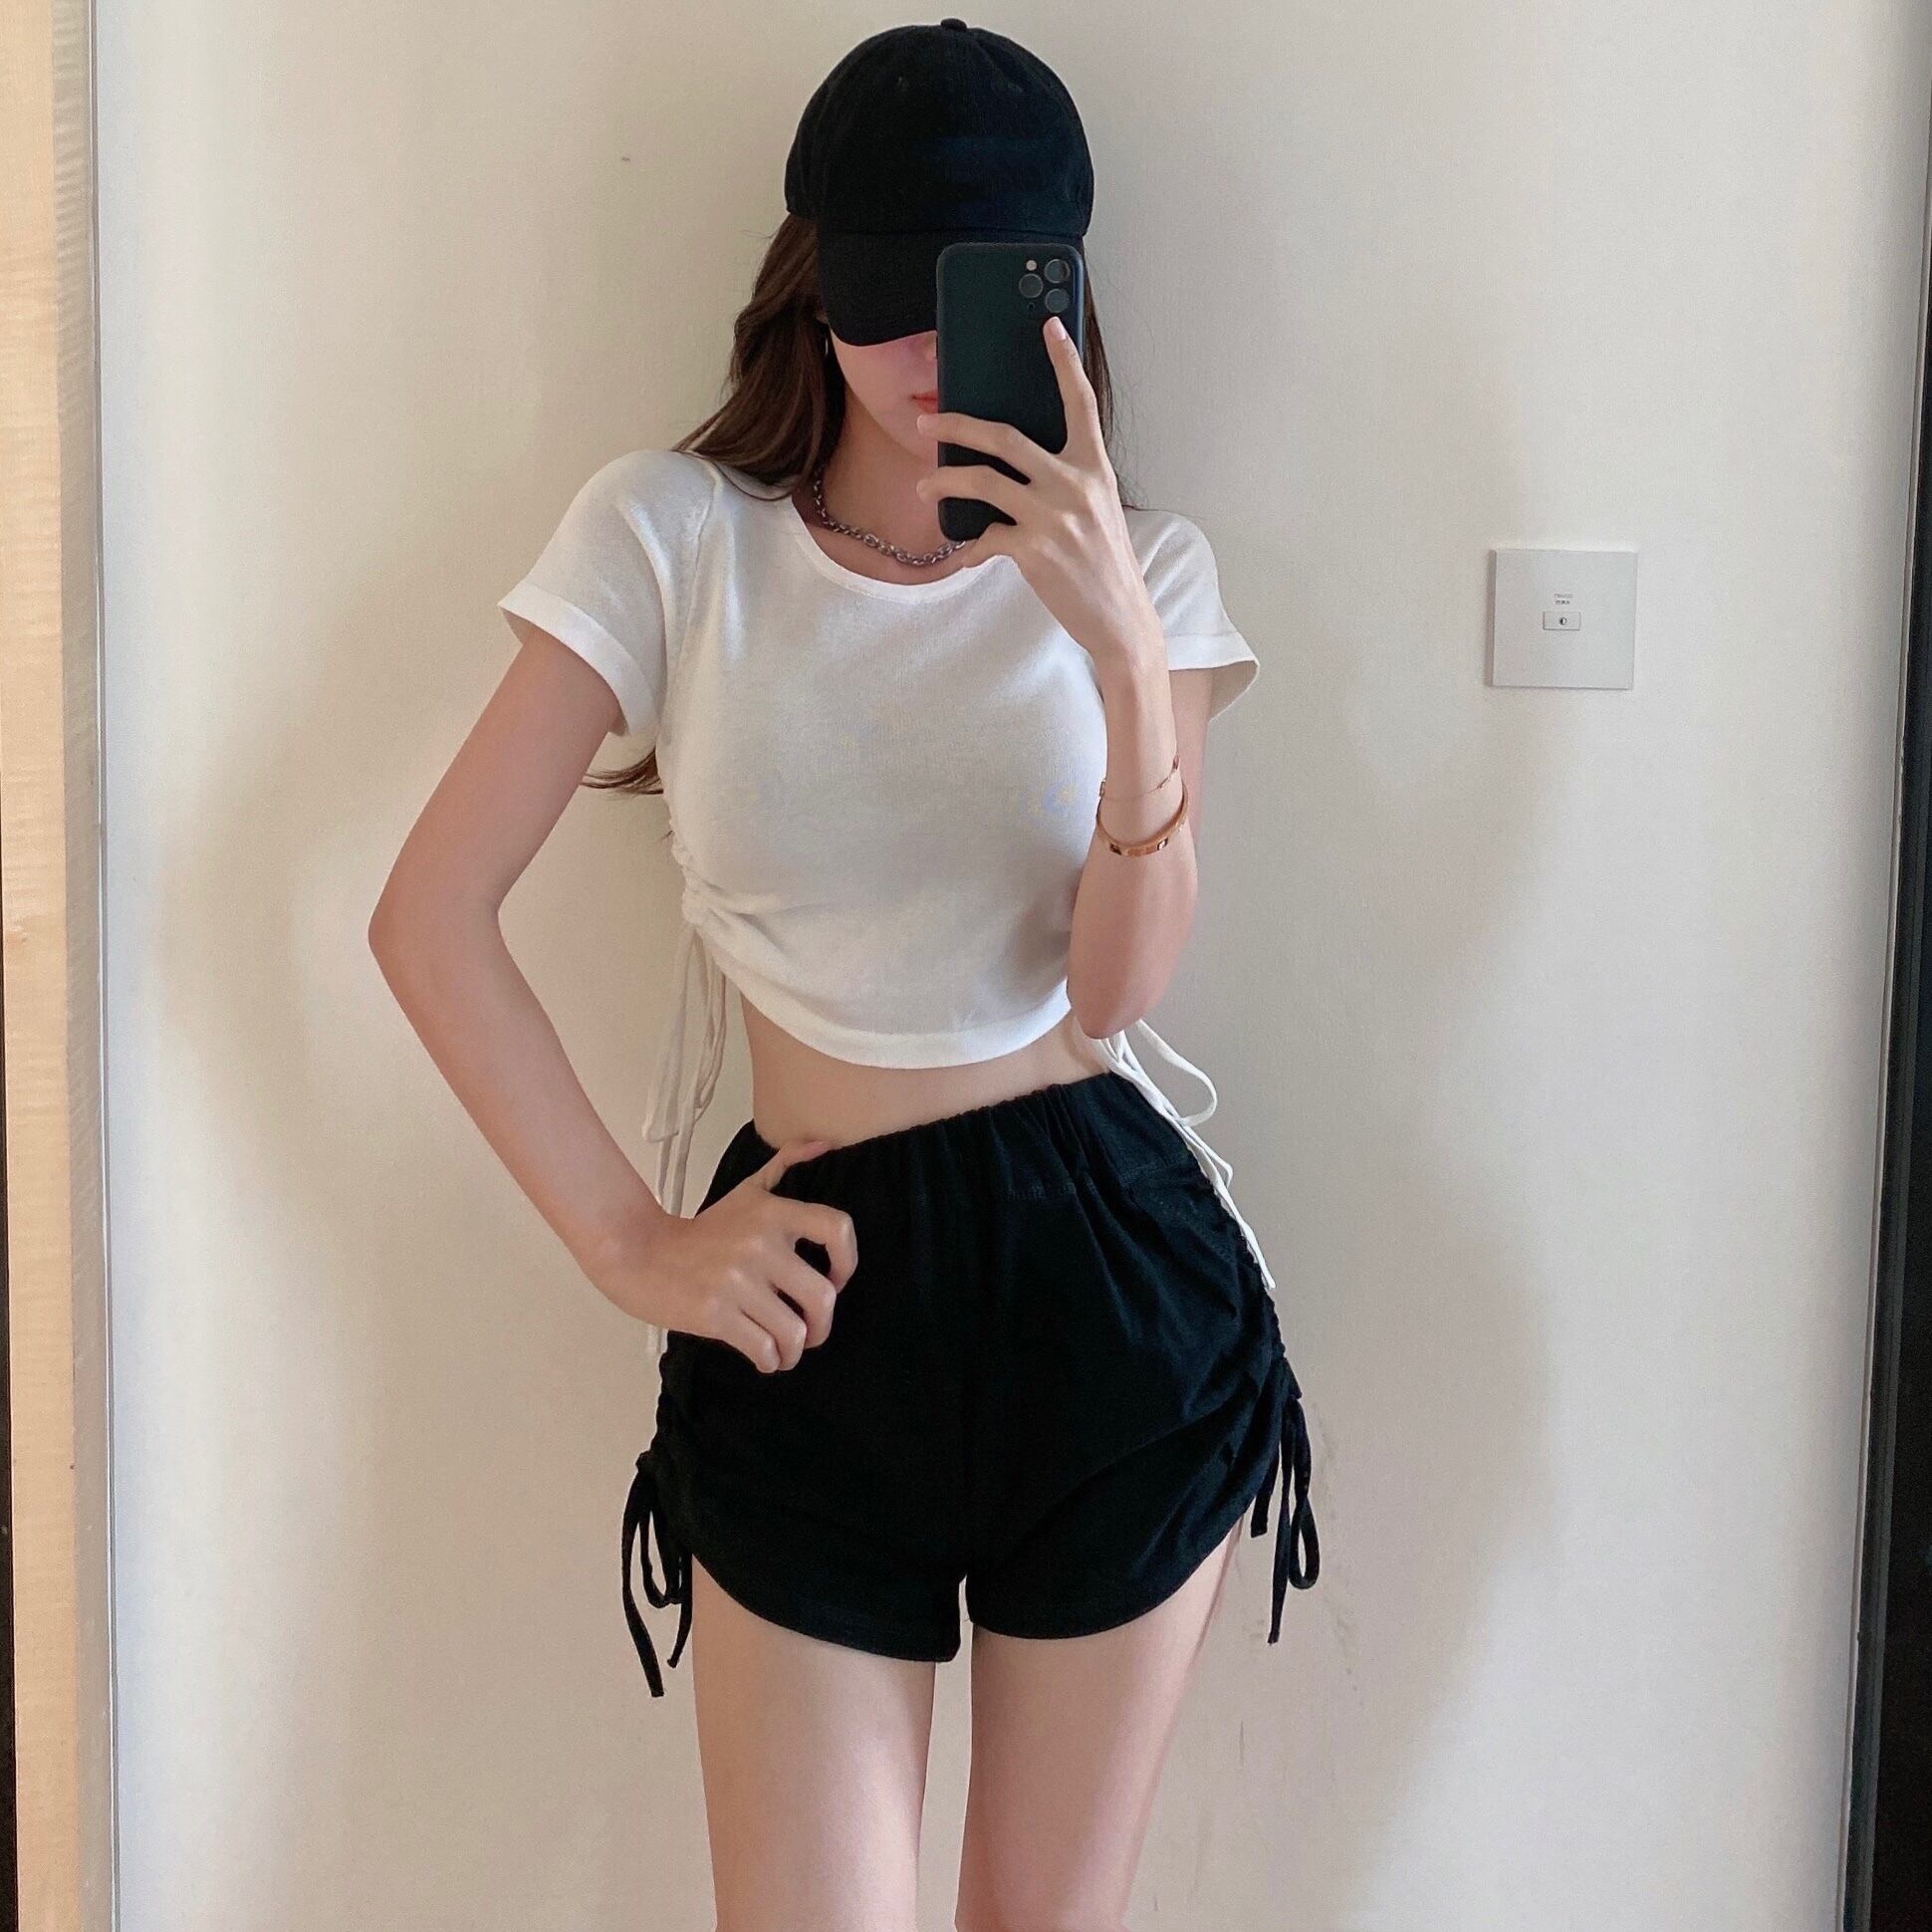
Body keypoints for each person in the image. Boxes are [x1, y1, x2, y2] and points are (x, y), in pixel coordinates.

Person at [370, 18, 1319, 1929]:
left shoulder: (1150, 573)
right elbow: (430, 913)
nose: (922, 356)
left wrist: (1127, 667)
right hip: (809, 1292)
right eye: (886, 295)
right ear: (812, 280)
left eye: (973, 297)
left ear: (1055, 294)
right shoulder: (673, 535)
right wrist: (631, 1242)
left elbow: (1115, 993)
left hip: (1107, 1288)